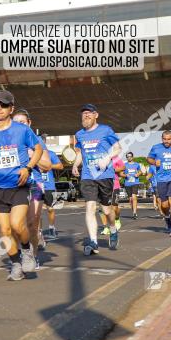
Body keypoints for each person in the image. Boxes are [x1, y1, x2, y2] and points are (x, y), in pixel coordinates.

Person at [0, 91, 43, 281]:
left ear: (11, 109)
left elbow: (37, 149)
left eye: (3, 105)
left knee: (16, 224)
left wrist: (28, 168)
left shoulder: (22, 130)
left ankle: (27, 250)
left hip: (19, 185)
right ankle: (15, 263)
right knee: (4, 231)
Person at [72, 104, 121, 255]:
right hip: (88, 176)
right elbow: (81, 153)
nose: (86, 116)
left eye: (89, 113)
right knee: (90, 208)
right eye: (83, 114)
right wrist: (75, 165)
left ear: (96, 115)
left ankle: (113, 229)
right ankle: (93, 242)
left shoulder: (106, 130)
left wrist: (107, 158)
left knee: (107, 210)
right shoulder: (79, 134)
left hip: (105, 175)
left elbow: (118, 147)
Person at [10, 109, 54, 270]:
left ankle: (32, 257)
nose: (19, 125)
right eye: (16, 122)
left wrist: (31, 156)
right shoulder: (9, 140)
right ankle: (20, 254)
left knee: (32, 224)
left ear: (29, 123)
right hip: (14, 185)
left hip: (35, 185)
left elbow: (47, 165)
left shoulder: (36, 141)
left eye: (22, 122)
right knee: (15, 225)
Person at [99, 156, 125, 239]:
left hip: (114, 185)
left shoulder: (115, 157)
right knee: (102, 208)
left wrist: (113, 170)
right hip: (102, 185)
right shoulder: (99, 156)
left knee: (114, 208)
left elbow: (123, 167)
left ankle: (117, 219)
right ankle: (106, 227)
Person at [124, 152, 143, 219]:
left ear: (132, 157)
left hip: (135, 182)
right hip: (127, 183)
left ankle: (135, 213)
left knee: (134, 197)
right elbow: (121, 173)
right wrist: (125, 175)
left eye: (130, 156)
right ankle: (133, 212)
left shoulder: (136, 164)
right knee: (130, 199)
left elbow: (140, 171)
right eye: (127, 156)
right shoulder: (124, 165)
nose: (129, 158)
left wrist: (138, 174)